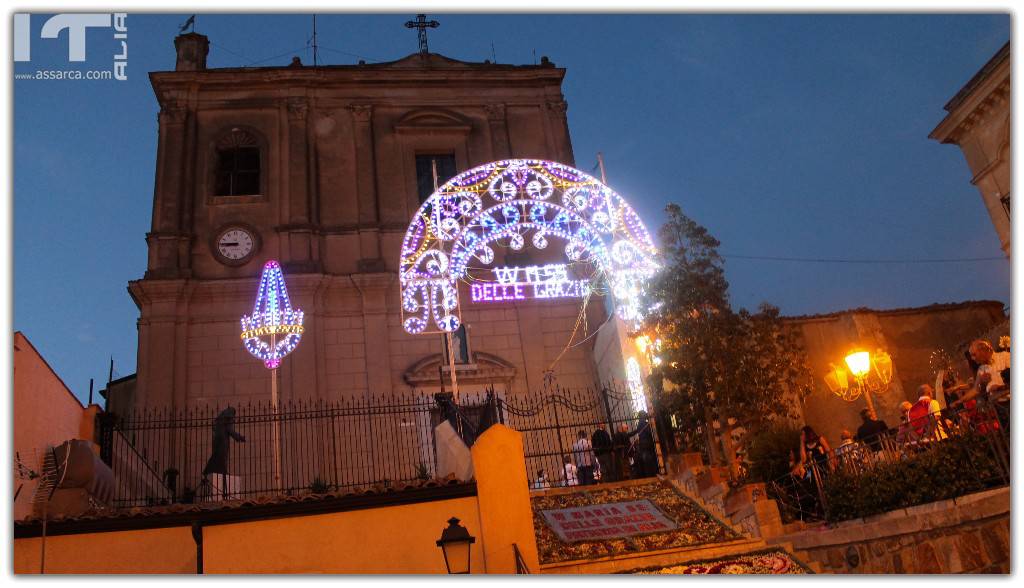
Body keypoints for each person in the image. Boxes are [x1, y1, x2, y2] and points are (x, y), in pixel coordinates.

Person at [202, 406, 246, 500]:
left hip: (216, 440)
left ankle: (214, 471)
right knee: (223, 457)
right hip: (223, 441)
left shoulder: (219, 419)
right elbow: (231, 431)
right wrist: (240, 437)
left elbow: (213, 428)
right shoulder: (229, 418)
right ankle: (222, 472)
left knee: (216, 455)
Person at [627, 412, 658, 478]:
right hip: (646, 444)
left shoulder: (640, 423)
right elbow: (649, 432)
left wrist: (628, 434)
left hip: (643, 444)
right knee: (648, 460)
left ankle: (649, 474)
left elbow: (636, 431)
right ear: (643, 415)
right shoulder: (643, 423)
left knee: (646, 460)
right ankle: (651, 475)